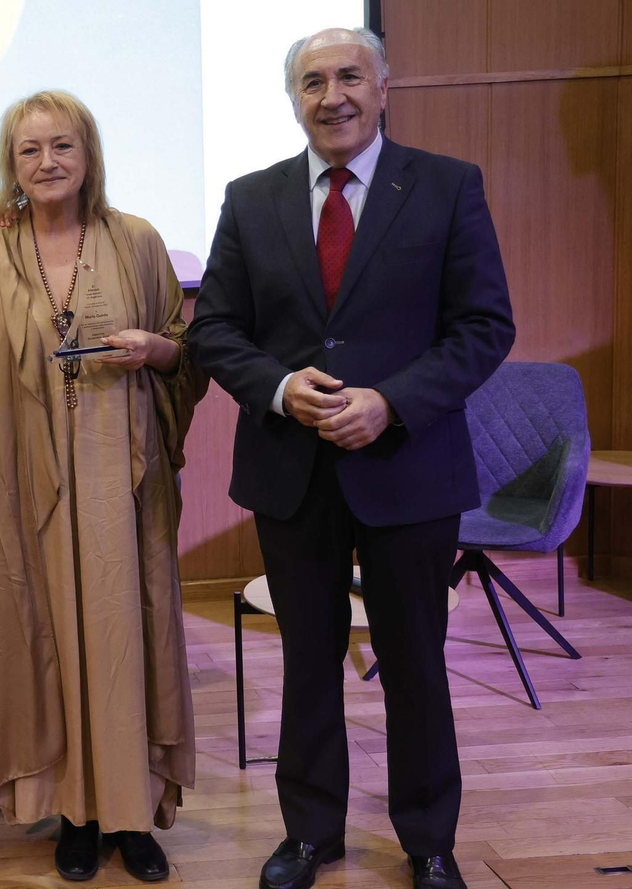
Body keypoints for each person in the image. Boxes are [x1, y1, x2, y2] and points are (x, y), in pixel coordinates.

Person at [188, 28, 515, 889]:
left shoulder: (448, 187)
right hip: (291, 470)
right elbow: (214, 328)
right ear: (293, 98)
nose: (331, 96)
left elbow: (484, 326)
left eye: (348, 77)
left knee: (415, 659)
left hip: (408, 466)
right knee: (307, 660)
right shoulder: (250, 198)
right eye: (311, 82)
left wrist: (391, 401)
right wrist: (279, 385)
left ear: (382, 86)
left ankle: (428, 838)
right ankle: (310, 833)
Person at [0, 89, 208, 884]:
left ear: (88, 154)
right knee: (43, 636)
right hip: (20, 487)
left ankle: (133, 812)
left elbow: (184, 351)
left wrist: (156, 354)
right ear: (11, 164)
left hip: (120, 487)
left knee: (126, 634)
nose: (47, 162)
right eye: (29, 150)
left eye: (62, 146)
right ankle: (71, 809)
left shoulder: (136, 241)